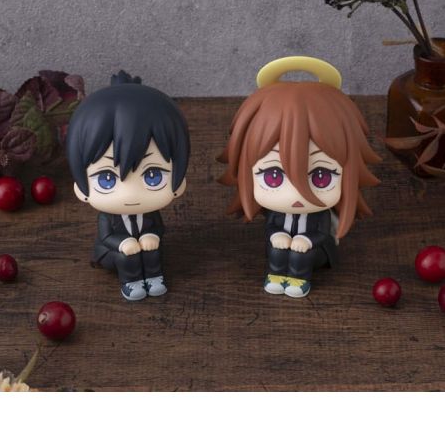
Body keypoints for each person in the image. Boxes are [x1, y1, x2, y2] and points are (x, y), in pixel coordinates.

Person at [218, 56, 380, 298]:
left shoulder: (320, 216)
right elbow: (272, 226)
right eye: (273, 176)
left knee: (300, 253)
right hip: (281, 248)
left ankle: (299, 281)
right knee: (277, 248)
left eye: (321, 177)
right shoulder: (277, 213)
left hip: (314, 252)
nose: (296, 193)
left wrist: (307, 241)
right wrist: (277, 235)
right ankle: (275, 276)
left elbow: (321, 233)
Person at [66, 71, 190, 301]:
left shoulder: (150, 213)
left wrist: (152, 236)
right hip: (113, 253)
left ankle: (154, 278)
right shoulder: (108, 217)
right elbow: (106, 237)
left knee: (153, 250)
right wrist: (123, 243)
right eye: (107, 178)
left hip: (145, 249)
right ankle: (131, 284)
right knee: (126, 257)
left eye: (153, 175)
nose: (130, 194)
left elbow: (158, 228)